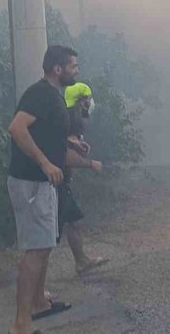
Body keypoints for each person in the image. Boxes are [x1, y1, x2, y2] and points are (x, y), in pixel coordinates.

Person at [7, 46, 78, 334]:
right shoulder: (40, 93)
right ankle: (21, 323)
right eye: (73, 66)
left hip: (44, 182)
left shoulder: (52, 96)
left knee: (45, 244)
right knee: (36, 249)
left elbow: (45, 130)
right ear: (57, 69)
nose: (77, 70)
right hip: (32, 182)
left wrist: (71, 143)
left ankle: (38, 303)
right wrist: (46, 162)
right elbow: (17, 128)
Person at [58, 82, 109, 275]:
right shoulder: (69, 120)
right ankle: (36, 286)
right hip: (55, 182)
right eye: (88, 98)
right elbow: (63, 154)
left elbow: (69, 145)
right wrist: (90, 164)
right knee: (49, 236)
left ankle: (81, 261)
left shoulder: (71, 119)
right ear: (81, 102)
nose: (91, 102)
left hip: (61, 181)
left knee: (74, 221)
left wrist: (78, 145)